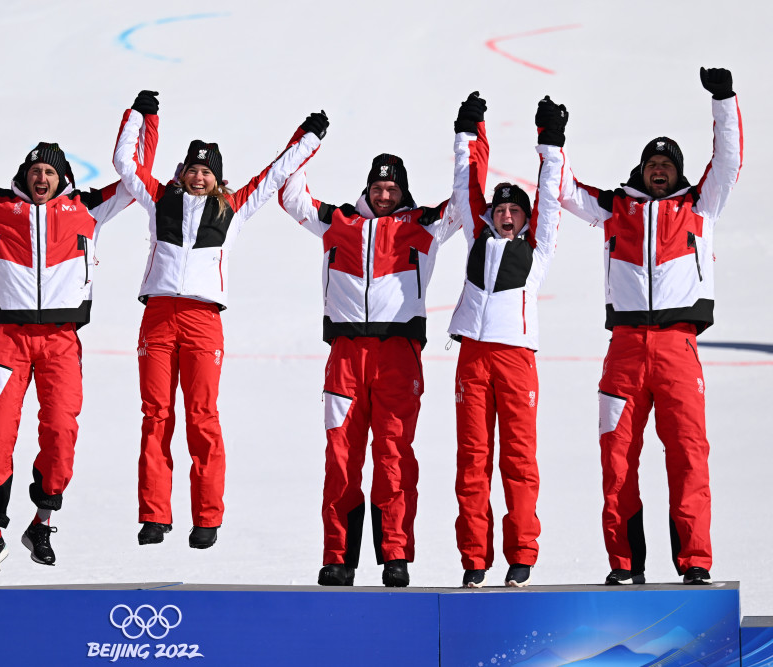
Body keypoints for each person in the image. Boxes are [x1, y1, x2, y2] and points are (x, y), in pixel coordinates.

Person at [0, 109, 157, 577]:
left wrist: (144, 119)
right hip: (6, 340)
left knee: (62, 432)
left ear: (62, 176)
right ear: (24, 175)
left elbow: (135, 180)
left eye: (48, 171)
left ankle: (41, 523)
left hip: (62, 342)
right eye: (34, 171)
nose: (40, 177)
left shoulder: (86, 206)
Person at [114, 91, 325, 549]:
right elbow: (124, 163)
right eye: (192, 169)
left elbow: (274, 176)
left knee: (202, 414)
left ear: (217, 179)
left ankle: (206, 518)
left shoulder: (231, 209)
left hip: (203, 320)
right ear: (181, 173)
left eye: (206, 171)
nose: (198, 176)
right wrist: (142, 116)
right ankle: (155, 516)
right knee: (156, 415)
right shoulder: (158, 200)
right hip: (158, 317)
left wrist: (308, 137)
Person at [556, 67, 742, 586]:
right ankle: (623, 565)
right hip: (624, 351)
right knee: (616, 461)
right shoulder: (616, 208)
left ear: (677, 172)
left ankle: (695, 563)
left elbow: (727, 164)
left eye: (666, 164)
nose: (658, 170)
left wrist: (723, 100)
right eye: (652, 164)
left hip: (679, 348)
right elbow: (564, 191)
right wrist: (551, 142)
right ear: (640, 170)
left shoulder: (698, 205)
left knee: (688, 454)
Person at [279, 116, 463, 587]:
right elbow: (288, 194)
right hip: (344, 354)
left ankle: (395, 555)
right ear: (368, 188)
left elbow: (466, 200)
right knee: (340, 457)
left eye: (392, 188)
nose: (384, 195)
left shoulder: (425, 225)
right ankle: (338, 557)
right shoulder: (338, 222)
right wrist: (308, 140)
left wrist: (466, 136)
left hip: (398, 355)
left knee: (393, 454)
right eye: (378, 187)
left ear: (403, 191)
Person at [447, 93, 567, 588]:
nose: (506, 216)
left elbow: (551, 198)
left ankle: (521, 557)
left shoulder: (536, 251)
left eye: (515, 210)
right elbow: (465, 187)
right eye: (500, 210)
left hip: (516, 359)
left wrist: (551, 141)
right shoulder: (477, 242)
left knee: (518, 459)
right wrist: (467, 131)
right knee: (472, 462)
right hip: (473, 358)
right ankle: (475, 561)